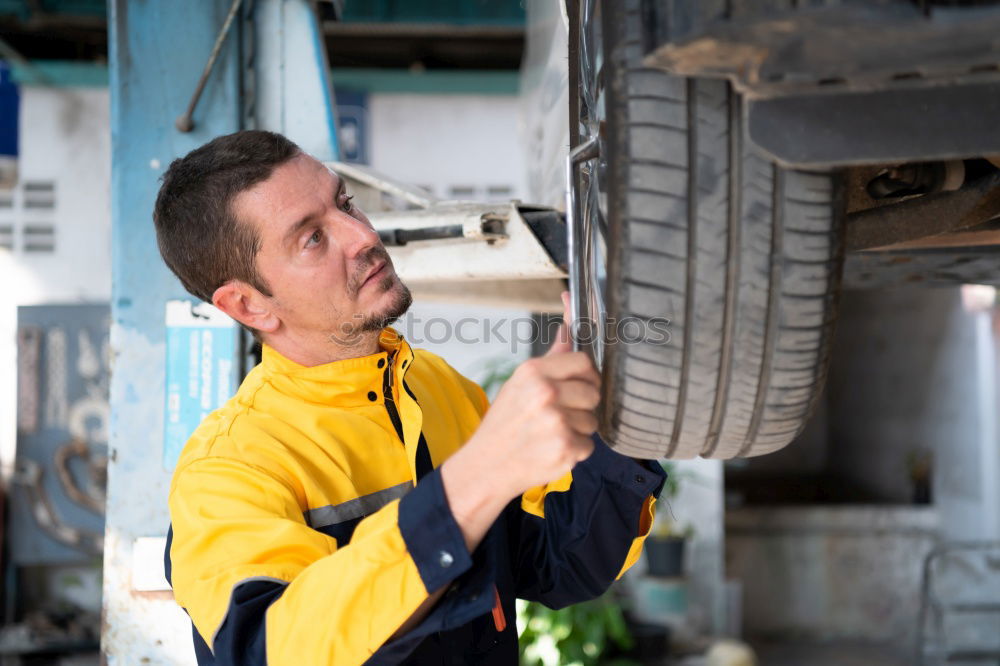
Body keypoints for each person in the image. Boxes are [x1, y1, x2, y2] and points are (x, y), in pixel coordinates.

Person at [154, 129, 666, 665]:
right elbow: (271, 648)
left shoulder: (435, 386)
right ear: (249, 304)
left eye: (346, 203)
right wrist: (477, 478)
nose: (361, 235)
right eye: (312, 238)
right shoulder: (229, 468)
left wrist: (622, 408)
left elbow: (559, 563)